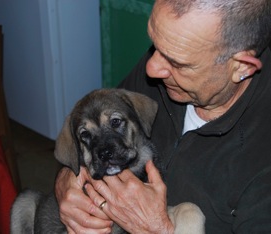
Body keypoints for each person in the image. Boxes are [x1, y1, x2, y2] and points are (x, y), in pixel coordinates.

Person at [55, 0, 271, 233]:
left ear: (241, 66)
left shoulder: (262, 159)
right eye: (154, 44)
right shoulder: (165, 73)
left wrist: (157, 229)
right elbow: (90, 143)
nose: (152, 68)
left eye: (178, 62)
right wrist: (67, 181)